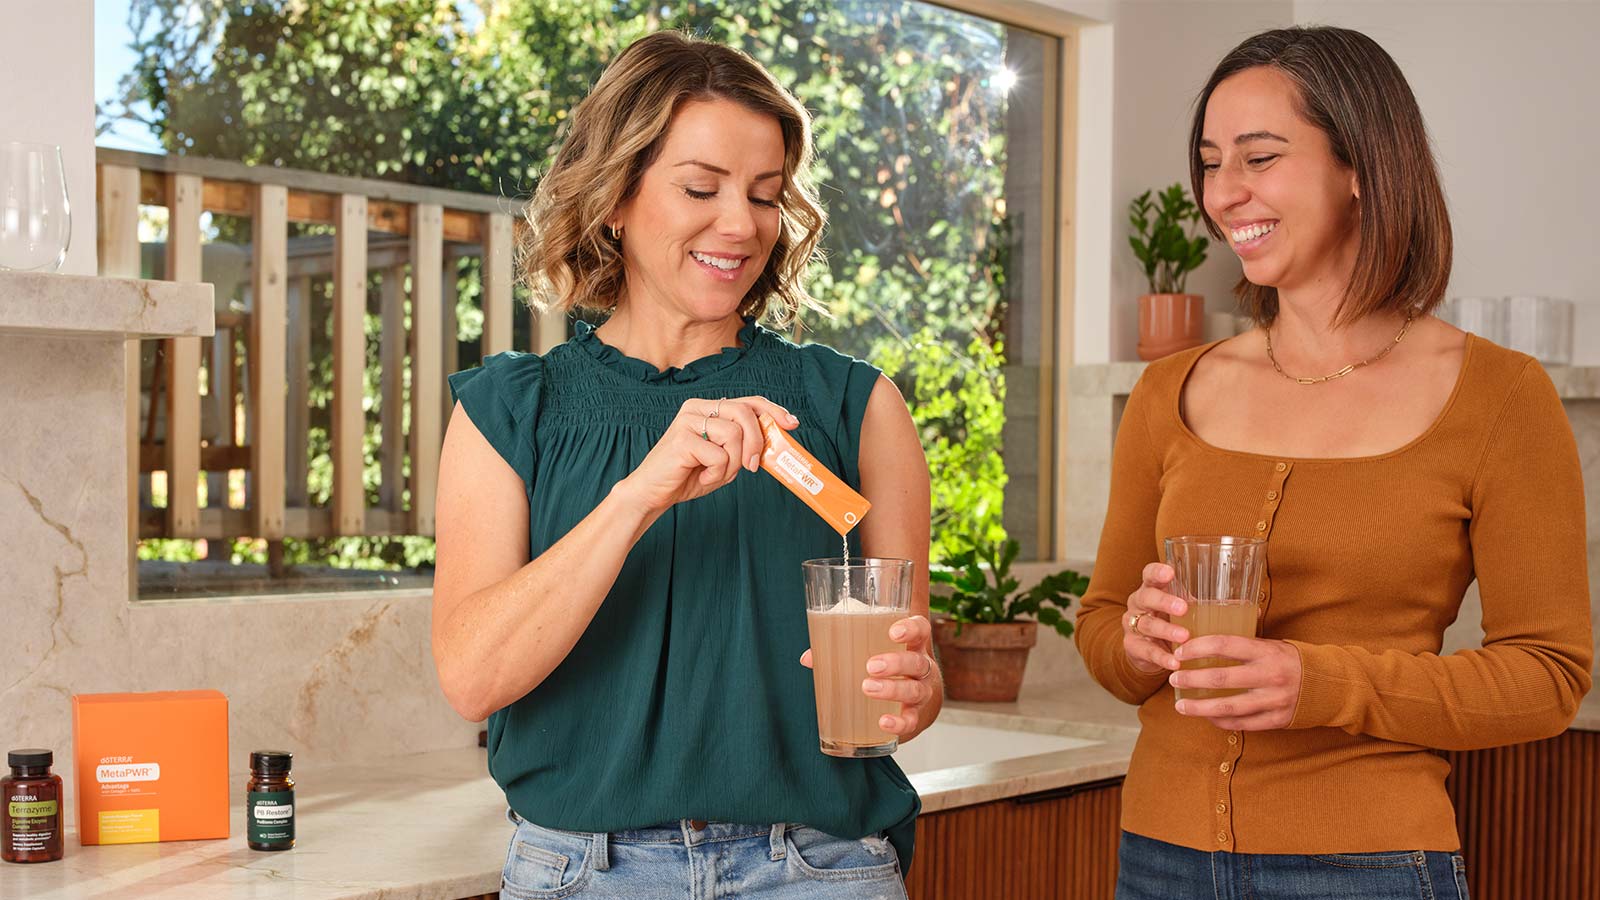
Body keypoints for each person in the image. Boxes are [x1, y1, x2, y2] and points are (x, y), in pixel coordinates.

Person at [1075, 25, 1592, 900]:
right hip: (1158, 859)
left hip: (1370, 869)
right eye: (1210, 163)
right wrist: (1136, 643)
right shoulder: (1171, 390)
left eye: (1259, 158)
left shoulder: (1500, 395)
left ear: (1361, 166)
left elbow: (1548, 676)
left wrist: (1319, 683)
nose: (1223, 193)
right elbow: (1101, 624)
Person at [430, 30, 941, 900]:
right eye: (701, 188)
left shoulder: (855, 406)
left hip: (819, 871)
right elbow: (473, 680)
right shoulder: (510, 411)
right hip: (582, 876)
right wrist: (637, 495)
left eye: (766, 194)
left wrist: (915, 689)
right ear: (615, 197)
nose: (741, 225)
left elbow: (910, 685)